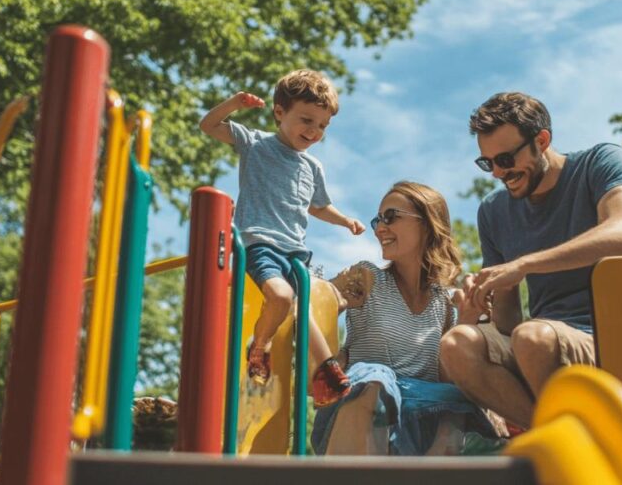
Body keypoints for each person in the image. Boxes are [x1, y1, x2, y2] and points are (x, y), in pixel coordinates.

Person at [440, 91, 622, 429]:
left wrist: (524, 264)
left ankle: (566, 445)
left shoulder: (600, 162)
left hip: (613, 337)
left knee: (532, 338)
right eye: (487, 163)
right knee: (456, 344)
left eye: (505, 159)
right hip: (539, 345)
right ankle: (557, 438)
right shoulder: (493, 211)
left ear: (542, 140)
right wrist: (492, 292)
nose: (497, 173)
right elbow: (509, 325)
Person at [199, 69, 366, 406]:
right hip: (260, 242)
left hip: (296, 252)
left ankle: (326, 371)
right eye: (306, 120)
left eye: (322, 126)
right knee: (280, 295)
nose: (314, 131)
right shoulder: (256, 143)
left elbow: (319, 207)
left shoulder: (312, 167)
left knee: (301, 308)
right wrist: (234, 103)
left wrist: (345, 220)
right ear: (279, 112)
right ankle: (259, 347)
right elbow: (209, 126)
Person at [313, 181, 498, 455]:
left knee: (456, 401)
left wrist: (467, 320)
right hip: (359, 412)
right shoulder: (365, 278)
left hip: (417, 426)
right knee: (377, 377)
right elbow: (314, 303)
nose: (379, 228)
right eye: (378, 219)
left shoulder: (444, 303)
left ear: (427, 223)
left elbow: (444, 382)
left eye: (391, 217)